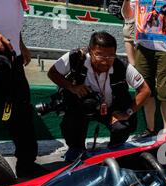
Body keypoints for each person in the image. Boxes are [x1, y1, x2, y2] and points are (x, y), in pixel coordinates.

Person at [47, 31, 151, 162]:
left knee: (123, 125)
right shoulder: (75, 57)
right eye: (100, 55)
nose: (105, 61)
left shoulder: (122, 66)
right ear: (90, 51)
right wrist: (72, 87)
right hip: (81, 107)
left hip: (111, 108)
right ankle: (76, 149)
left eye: (110, 56)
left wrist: (127, 113)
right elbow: (52, 73)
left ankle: (115, 151)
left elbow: (145, 90)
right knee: (71, 123)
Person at [0, 0, 48, 179]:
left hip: (11, 57)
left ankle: (27, 165)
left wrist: (20, 43)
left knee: (22, 111)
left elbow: (10, 18)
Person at [122, 0, 166, 141]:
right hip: (142, 46)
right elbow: (128, 15)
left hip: (165, 48)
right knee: (145, 90)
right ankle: (150, 129)